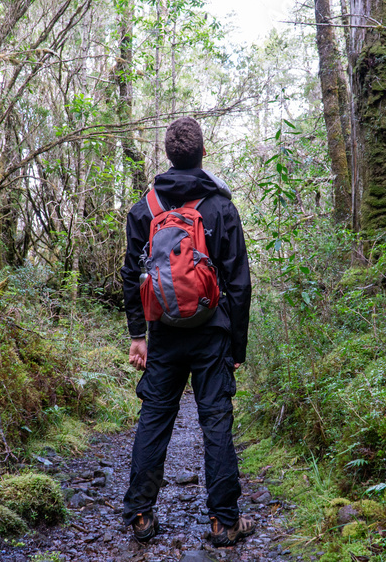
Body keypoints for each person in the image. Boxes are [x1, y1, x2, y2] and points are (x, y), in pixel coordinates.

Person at [120, 117, 255, 547]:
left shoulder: (145, 209)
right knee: (215, 421)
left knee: (155, 417)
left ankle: (141, 514)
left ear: (168, 154)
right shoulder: (219, 206)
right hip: (212, 333)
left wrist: (137, 334)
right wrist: (238, 345)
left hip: (162, 333)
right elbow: (239, 282)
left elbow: (131, 275)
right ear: (201, 153)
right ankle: (223, 523)